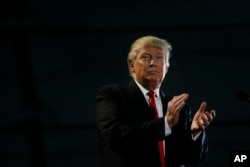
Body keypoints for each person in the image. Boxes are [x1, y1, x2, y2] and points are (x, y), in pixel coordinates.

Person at [96, 35, 216, 167]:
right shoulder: (113, 95)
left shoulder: (178, 107)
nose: (153, 63)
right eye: (145, 57)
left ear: (167, 67)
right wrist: (166, 123)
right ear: (132, 66)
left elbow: (192, 159)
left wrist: (195, 133)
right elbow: (116, 137)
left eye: (159, 57)